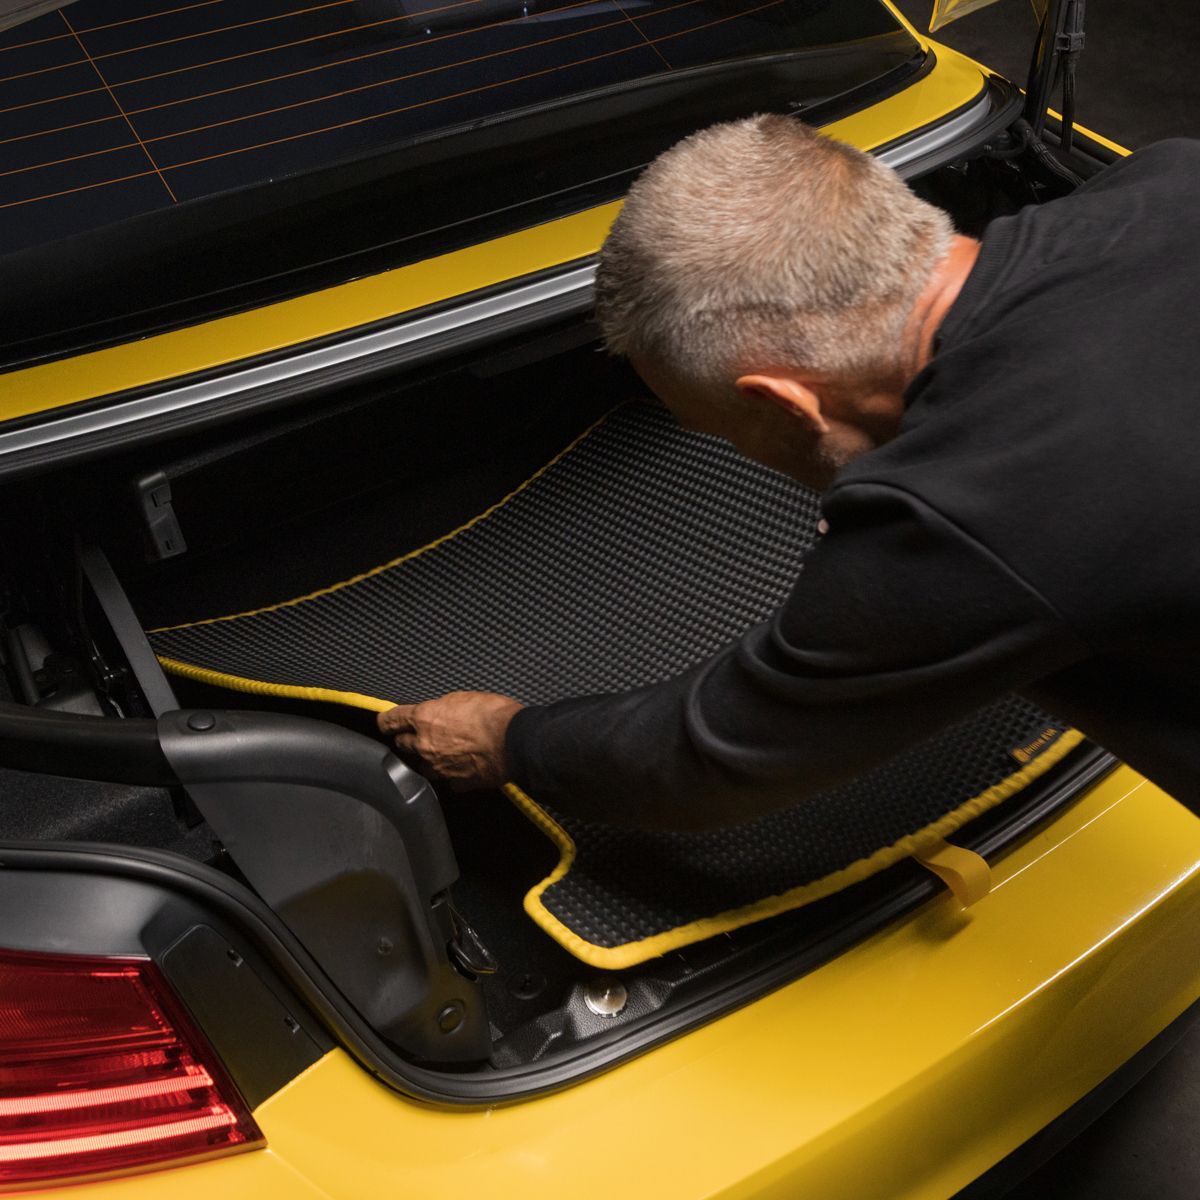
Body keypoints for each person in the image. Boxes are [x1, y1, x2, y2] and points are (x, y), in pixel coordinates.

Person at [378, 115, 1200, 831]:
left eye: (720, 430)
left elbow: (708, 761)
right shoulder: (1168, 177)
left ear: (783, 404)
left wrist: (509, 740)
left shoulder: (978, 510)